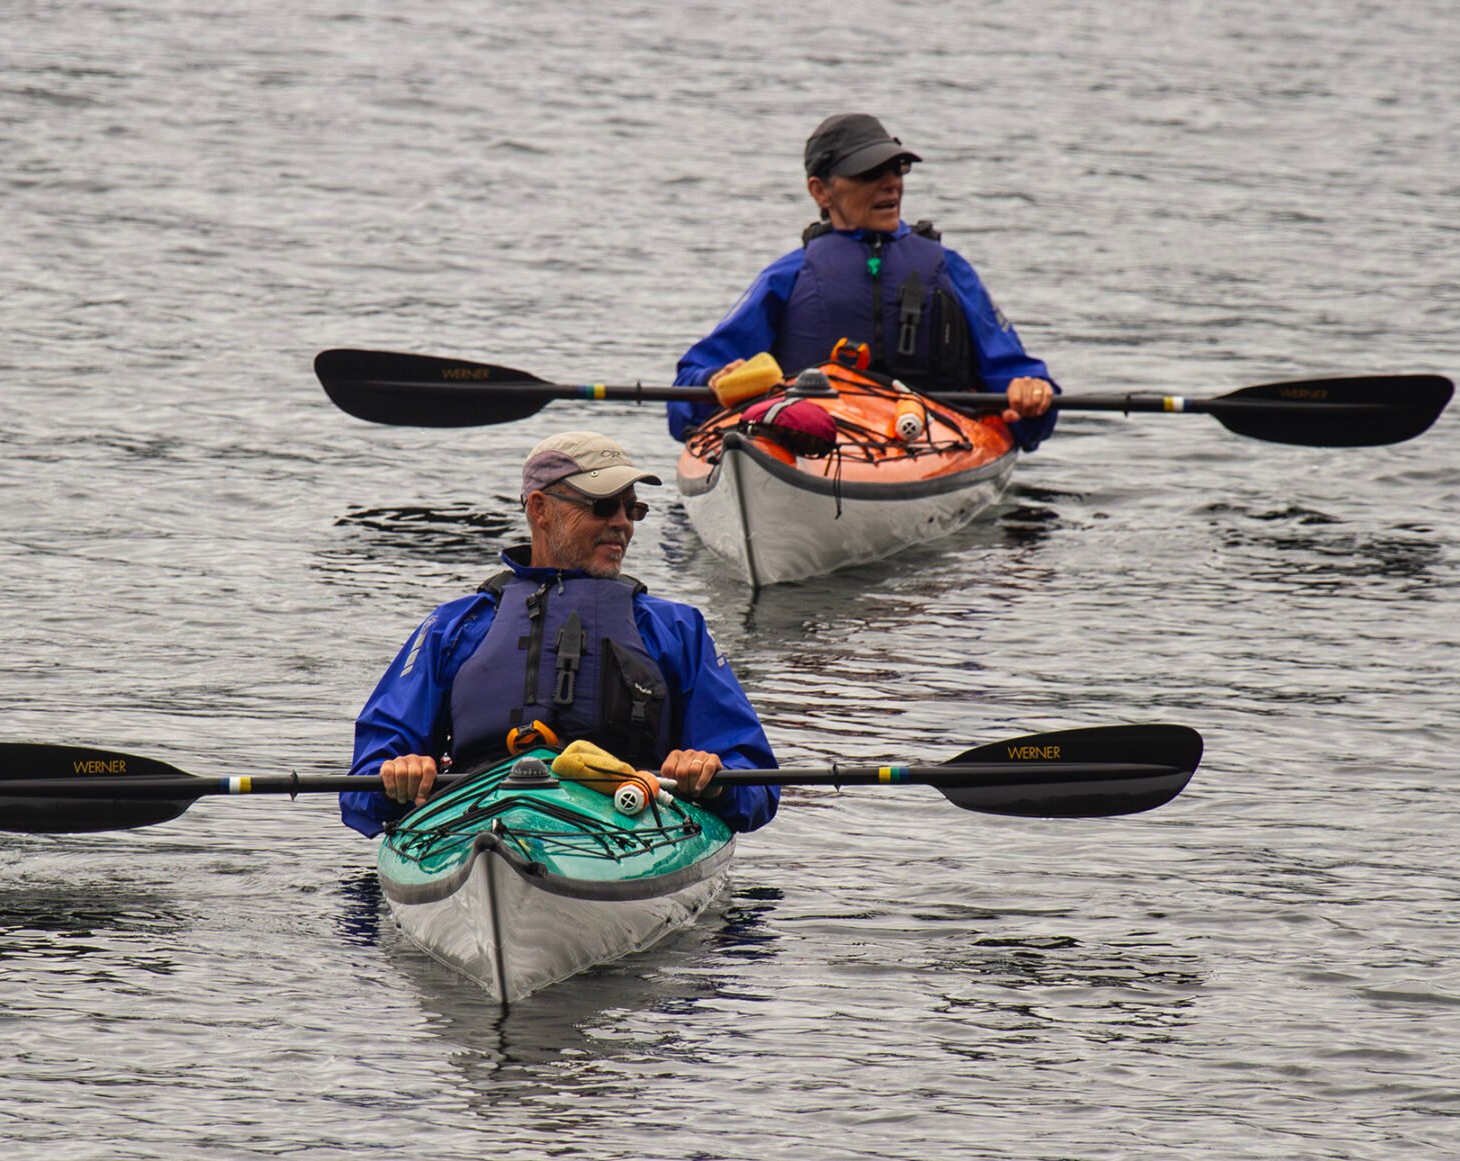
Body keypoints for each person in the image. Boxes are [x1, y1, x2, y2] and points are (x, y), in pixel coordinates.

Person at [340, 431, 779, 838]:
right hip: (476, 818)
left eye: (633, 510)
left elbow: (757, 787)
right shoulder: (455, 627)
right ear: (540, 509)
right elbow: (360, 793)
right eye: (604, 506)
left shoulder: (677, 629)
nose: (622, 524)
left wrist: (712, 776)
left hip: (636, 814)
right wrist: (397, 774)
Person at [669, 113, 1060, 449]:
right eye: (869, 173)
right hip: (810, 433)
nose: (891, 183)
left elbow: (1018, 382)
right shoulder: (788, 276)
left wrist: (1031, 392)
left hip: (930, 434)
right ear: (820, 191)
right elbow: (685, 398)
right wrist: (711, 379)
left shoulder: (948, 270)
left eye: (897, 170)